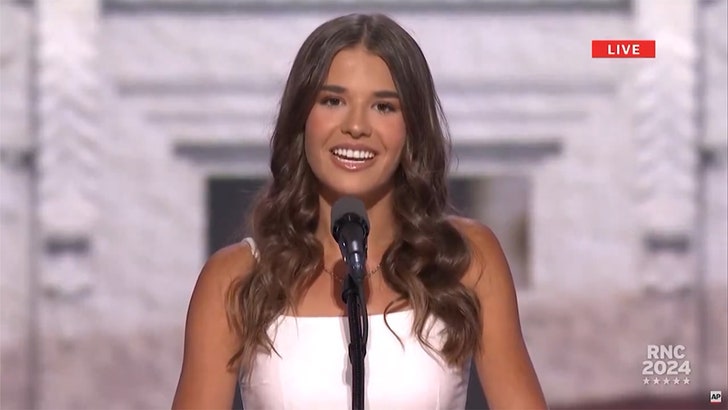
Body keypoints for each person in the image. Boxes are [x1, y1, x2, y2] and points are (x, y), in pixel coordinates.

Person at [172, 13, 547, 410]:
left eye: (383, 107)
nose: (356, 126)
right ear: (303, 118)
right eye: (333, 101)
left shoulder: (465, 257)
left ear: (412, 128)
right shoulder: (235, 279)